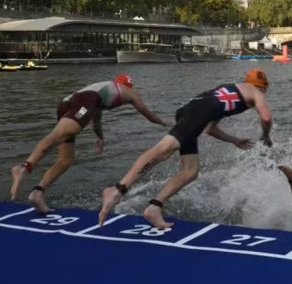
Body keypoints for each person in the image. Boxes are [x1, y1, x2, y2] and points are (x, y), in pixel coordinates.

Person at [98, 68, 273, 228]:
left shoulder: (230, 89)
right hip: (200, 112)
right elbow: (265, 117)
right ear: (262, 87)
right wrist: (266, 136)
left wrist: (234, 140)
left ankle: (154, 208)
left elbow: (209, 128)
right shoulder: (256, 92)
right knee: (162, 151)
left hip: (189, 109)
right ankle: (117, 190)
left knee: (190, 171)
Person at [10, 74, 173, 212]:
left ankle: (37, 193)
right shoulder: (130, 92)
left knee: (65, 159)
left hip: (69, 103)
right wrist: (166, 122)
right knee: (61, 134)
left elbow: (96, 119)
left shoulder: (102, 92)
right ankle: (24, 167)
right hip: (83, 101)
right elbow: (149, 116)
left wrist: (100, 137)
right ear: (128, 85)